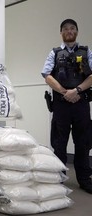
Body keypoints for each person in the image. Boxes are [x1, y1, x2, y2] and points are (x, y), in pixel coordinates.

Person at [42, 19, 92, 194]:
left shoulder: (86, 51)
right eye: (65, 29)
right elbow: (47, 75)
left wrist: (77, 90)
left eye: (72, 28)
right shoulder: (54, 53)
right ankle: (58, 179)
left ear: (77, 31)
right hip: (61, 105)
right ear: (61, 33)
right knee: (59, 144)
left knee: (83, 143)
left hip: (81, 104)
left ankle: (85, 180)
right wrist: (65, 92)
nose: (69, 31)